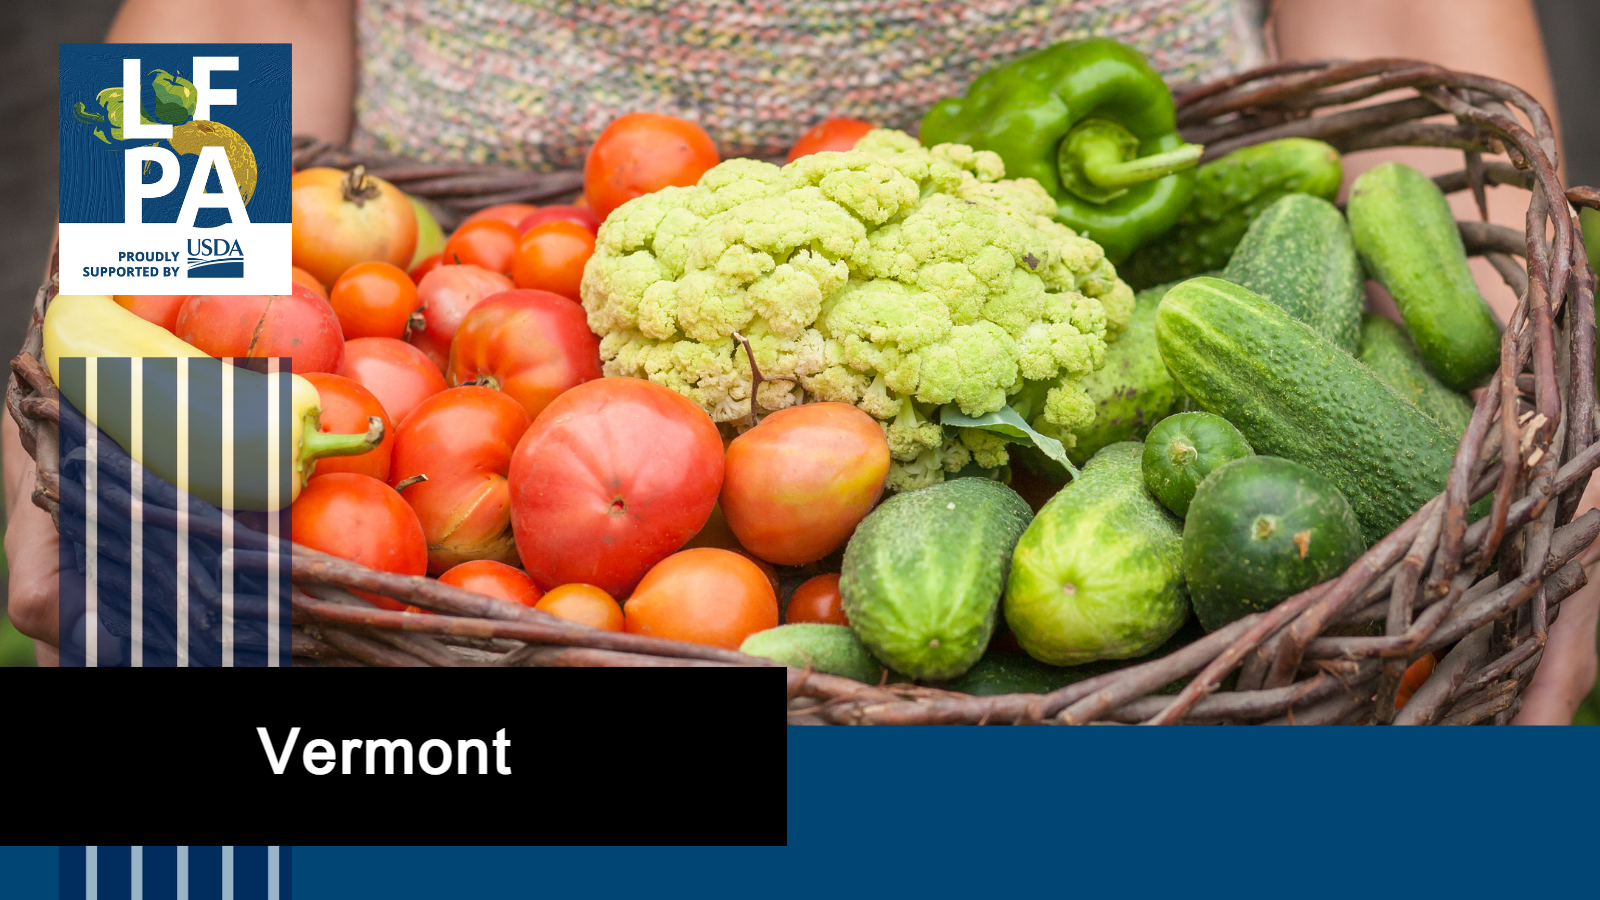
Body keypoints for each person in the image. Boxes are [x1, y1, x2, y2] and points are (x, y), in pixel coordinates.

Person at [8, 0, 1590, 722]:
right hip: (470, 294)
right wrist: (130, 345)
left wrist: (1540, 418)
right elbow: (220, 15)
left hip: (1132, 265)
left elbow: (1418, 45)